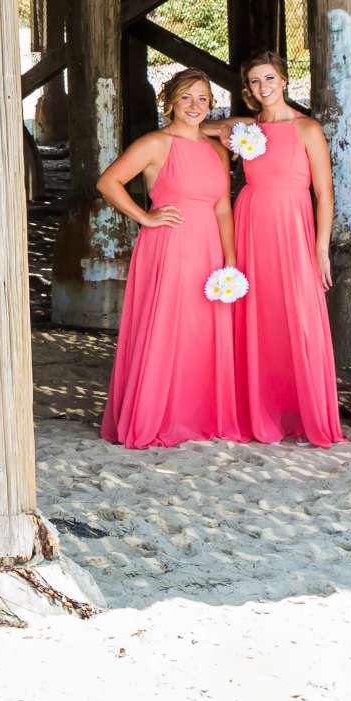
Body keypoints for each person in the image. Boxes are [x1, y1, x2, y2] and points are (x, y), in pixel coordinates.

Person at [97, 69, 244, 449]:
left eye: (202, 98)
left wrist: (230, 259)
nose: (195, 106)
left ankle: (199, 417)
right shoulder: (155, 144)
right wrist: (145, 216)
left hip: (209, 247)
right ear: (171, 103)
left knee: (202, 331)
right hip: (169, 246)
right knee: (166, 328)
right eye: (186, 98)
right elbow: (108, 182)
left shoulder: (216, 149)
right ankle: (157, 416)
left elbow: (223, 207)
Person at [214, 52, 343, 447]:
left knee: (298, 314)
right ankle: (260, 410)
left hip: (293, 224)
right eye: (253, 82)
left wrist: (321, 250)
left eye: (268, 78)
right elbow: (197, 126)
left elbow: (324, 194)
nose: (262, 87)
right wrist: (225, 129)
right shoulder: (246, 129)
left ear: (284, 80)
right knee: (260, 314)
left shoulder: (307, 128)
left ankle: (304, 412)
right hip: (251, 222)